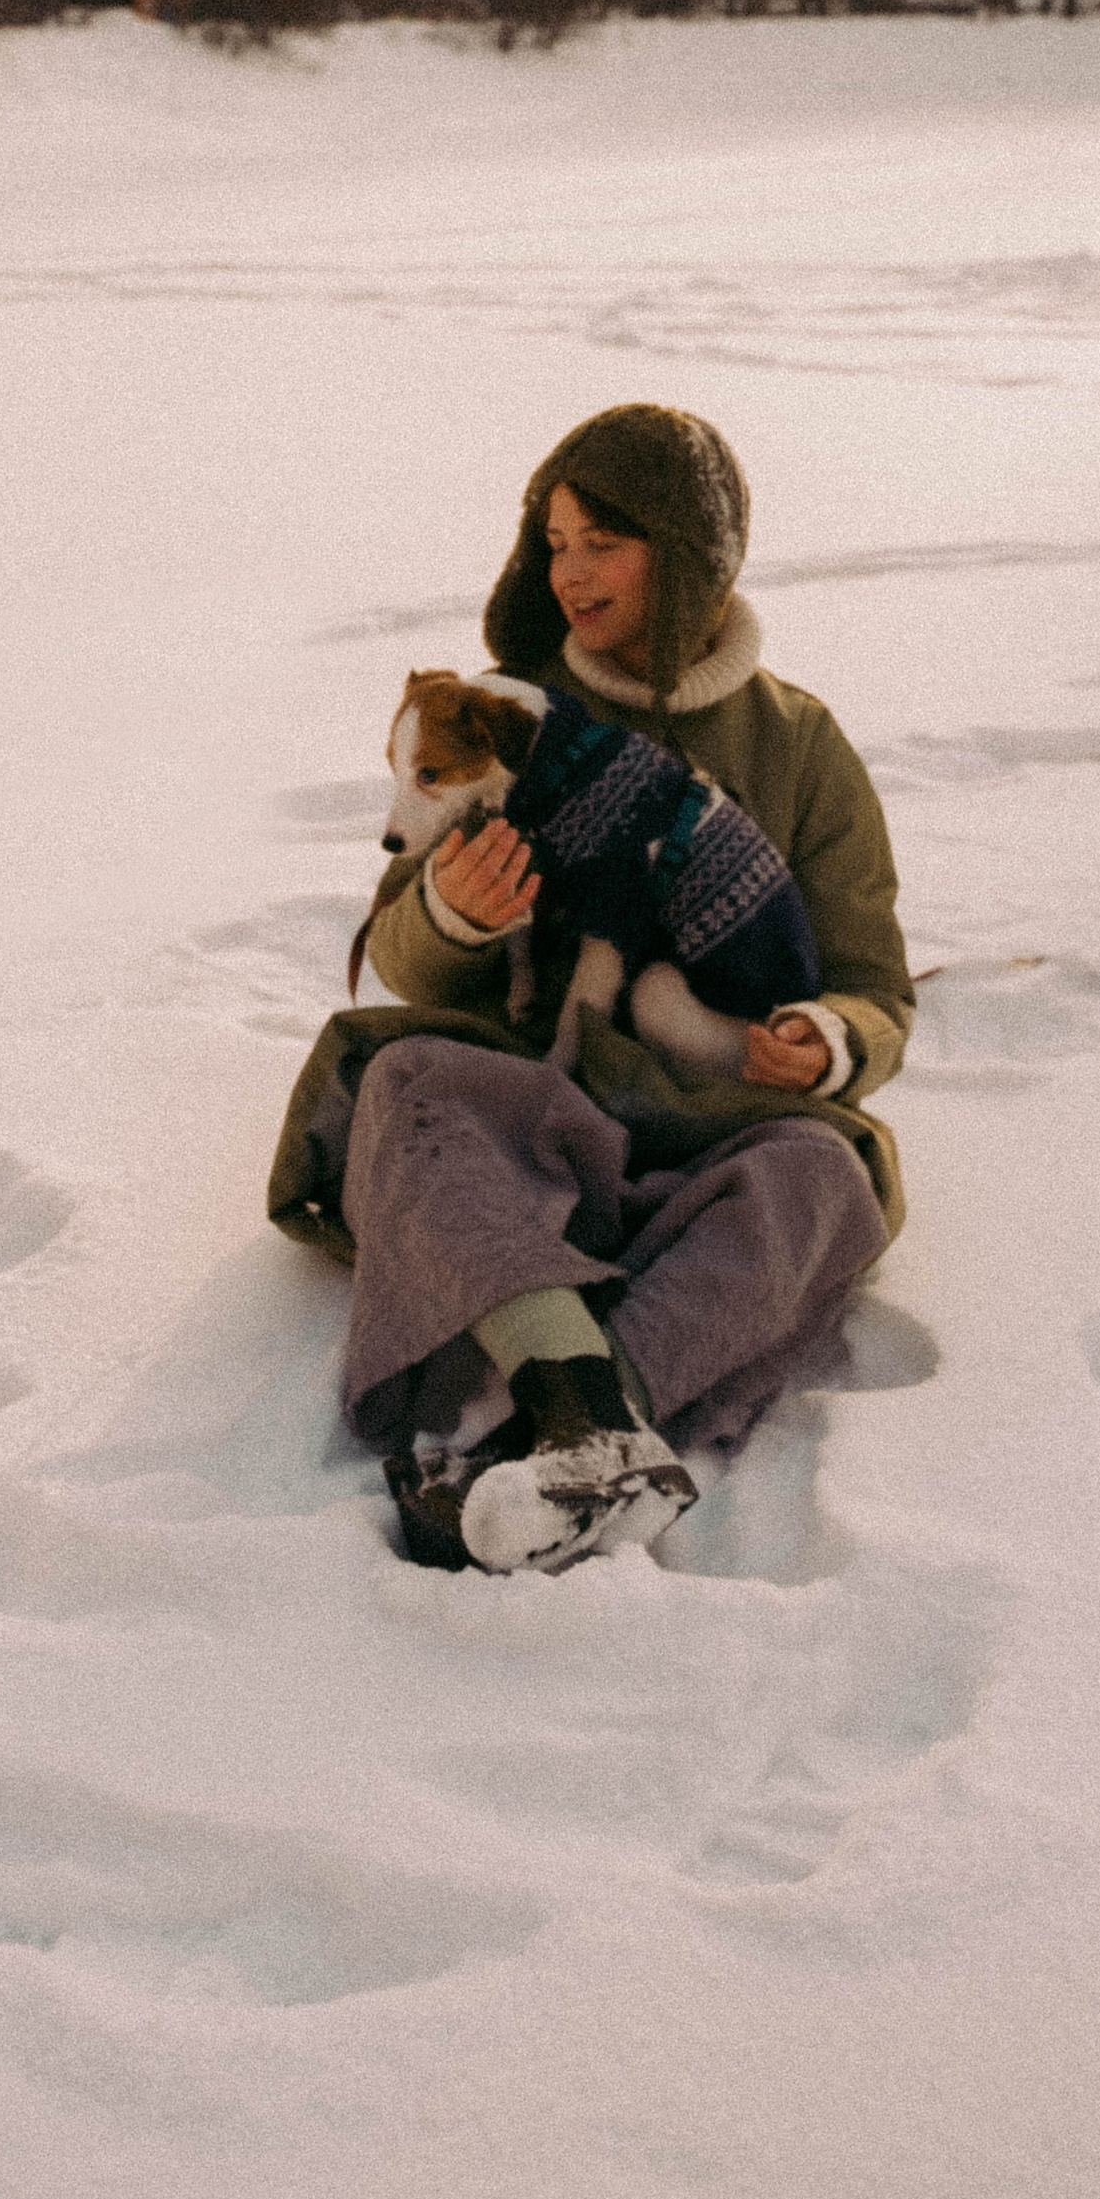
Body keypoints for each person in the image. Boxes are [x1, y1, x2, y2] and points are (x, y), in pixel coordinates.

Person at [268, 403, 911, 1575]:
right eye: (553, 543)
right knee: (404, 1084)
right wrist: (455, 915)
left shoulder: (800, 745)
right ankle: (575, 1420)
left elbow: (874, 985)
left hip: (709, 1129)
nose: (568, 573)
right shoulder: (496, 716)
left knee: (823, 1176)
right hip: (530, 1120)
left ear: (692, 556)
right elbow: (401, 954)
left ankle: (557, 1438)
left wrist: (828, 1038)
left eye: (601, 543)